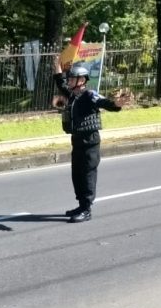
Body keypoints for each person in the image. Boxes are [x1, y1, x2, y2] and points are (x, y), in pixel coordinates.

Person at [54, 59, 128, 223]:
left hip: (90, 143)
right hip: (77, 141)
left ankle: (86, 210)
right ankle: (81, 205)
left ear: (81, 80)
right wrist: (58, 69)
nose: (69, 81)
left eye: (72, 79)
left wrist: (116, 103)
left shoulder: (89, 95)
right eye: (70, 79)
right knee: (77, 175)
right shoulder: (73, 96)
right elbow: (61, 85)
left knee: (87, 175)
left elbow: (104, 102)